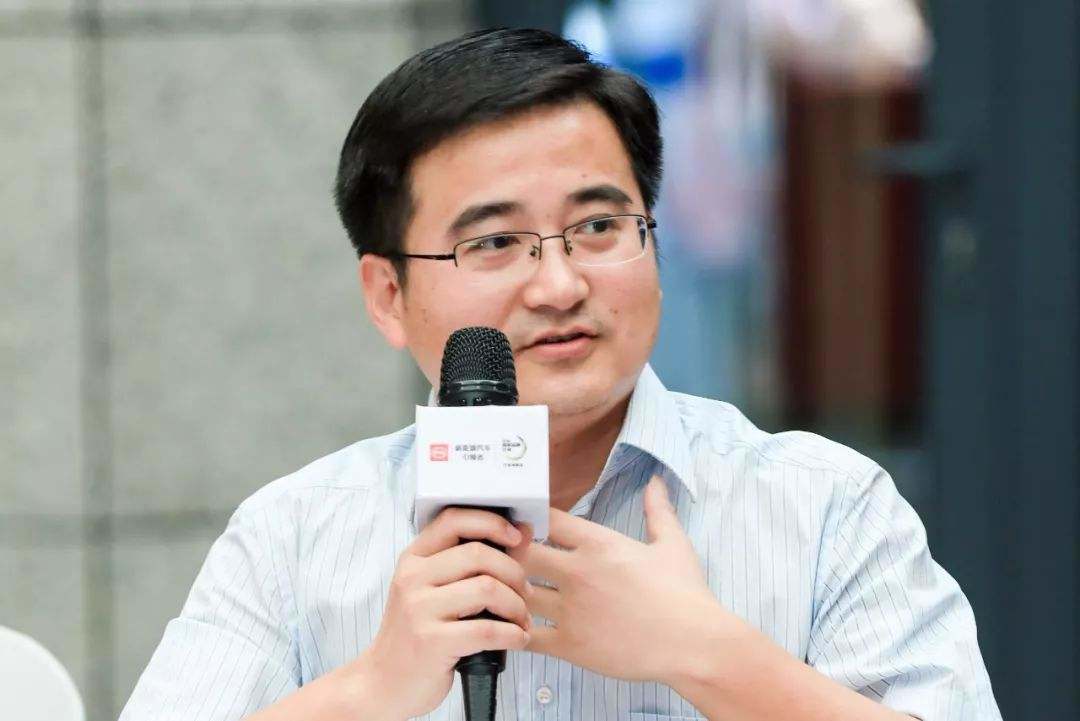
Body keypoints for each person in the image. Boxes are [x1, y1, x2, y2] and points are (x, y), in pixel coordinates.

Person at [119, 28, 1000, 721]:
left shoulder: (824, 506)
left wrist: (706, 654)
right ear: (388, 295)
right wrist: (373, 686)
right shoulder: (296, 536)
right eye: (496, 241)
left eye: (599, 227)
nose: (559, 284)